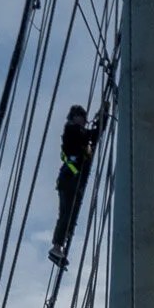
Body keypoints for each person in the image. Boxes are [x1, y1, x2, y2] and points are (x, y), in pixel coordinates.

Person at [49, 103, 108, 267]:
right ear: (74, 117)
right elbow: (89, 136)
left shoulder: (79, 133)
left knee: (71, 214)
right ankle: (56, 246)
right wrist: (100, 120)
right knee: (66, 214)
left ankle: (59, 246)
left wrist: (102, 119)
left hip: (74, 180)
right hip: (69, 178)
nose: (84, 120)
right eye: (82, 117)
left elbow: (94, 136)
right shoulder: (72, 130)